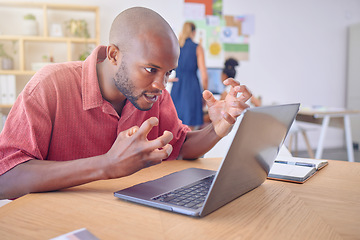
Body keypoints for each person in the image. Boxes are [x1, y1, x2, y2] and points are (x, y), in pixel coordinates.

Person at [0, 7, 251, 200]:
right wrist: (106, 165)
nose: (161, 85)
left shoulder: (154, 94)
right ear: (114, 55)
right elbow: (6, 177)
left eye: (167, 73)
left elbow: (181, 146)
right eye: (151, 69)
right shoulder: (50, 85)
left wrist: (217, 128)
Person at [170, 21, 208, 130]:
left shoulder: (176, 47)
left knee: (176, 126)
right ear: (194, 32)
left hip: (177, 87)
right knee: (190, 130)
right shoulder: (197, 48)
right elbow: (204, 75)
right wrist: (205, 93)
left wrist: (167, 80)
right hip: (191, 88)